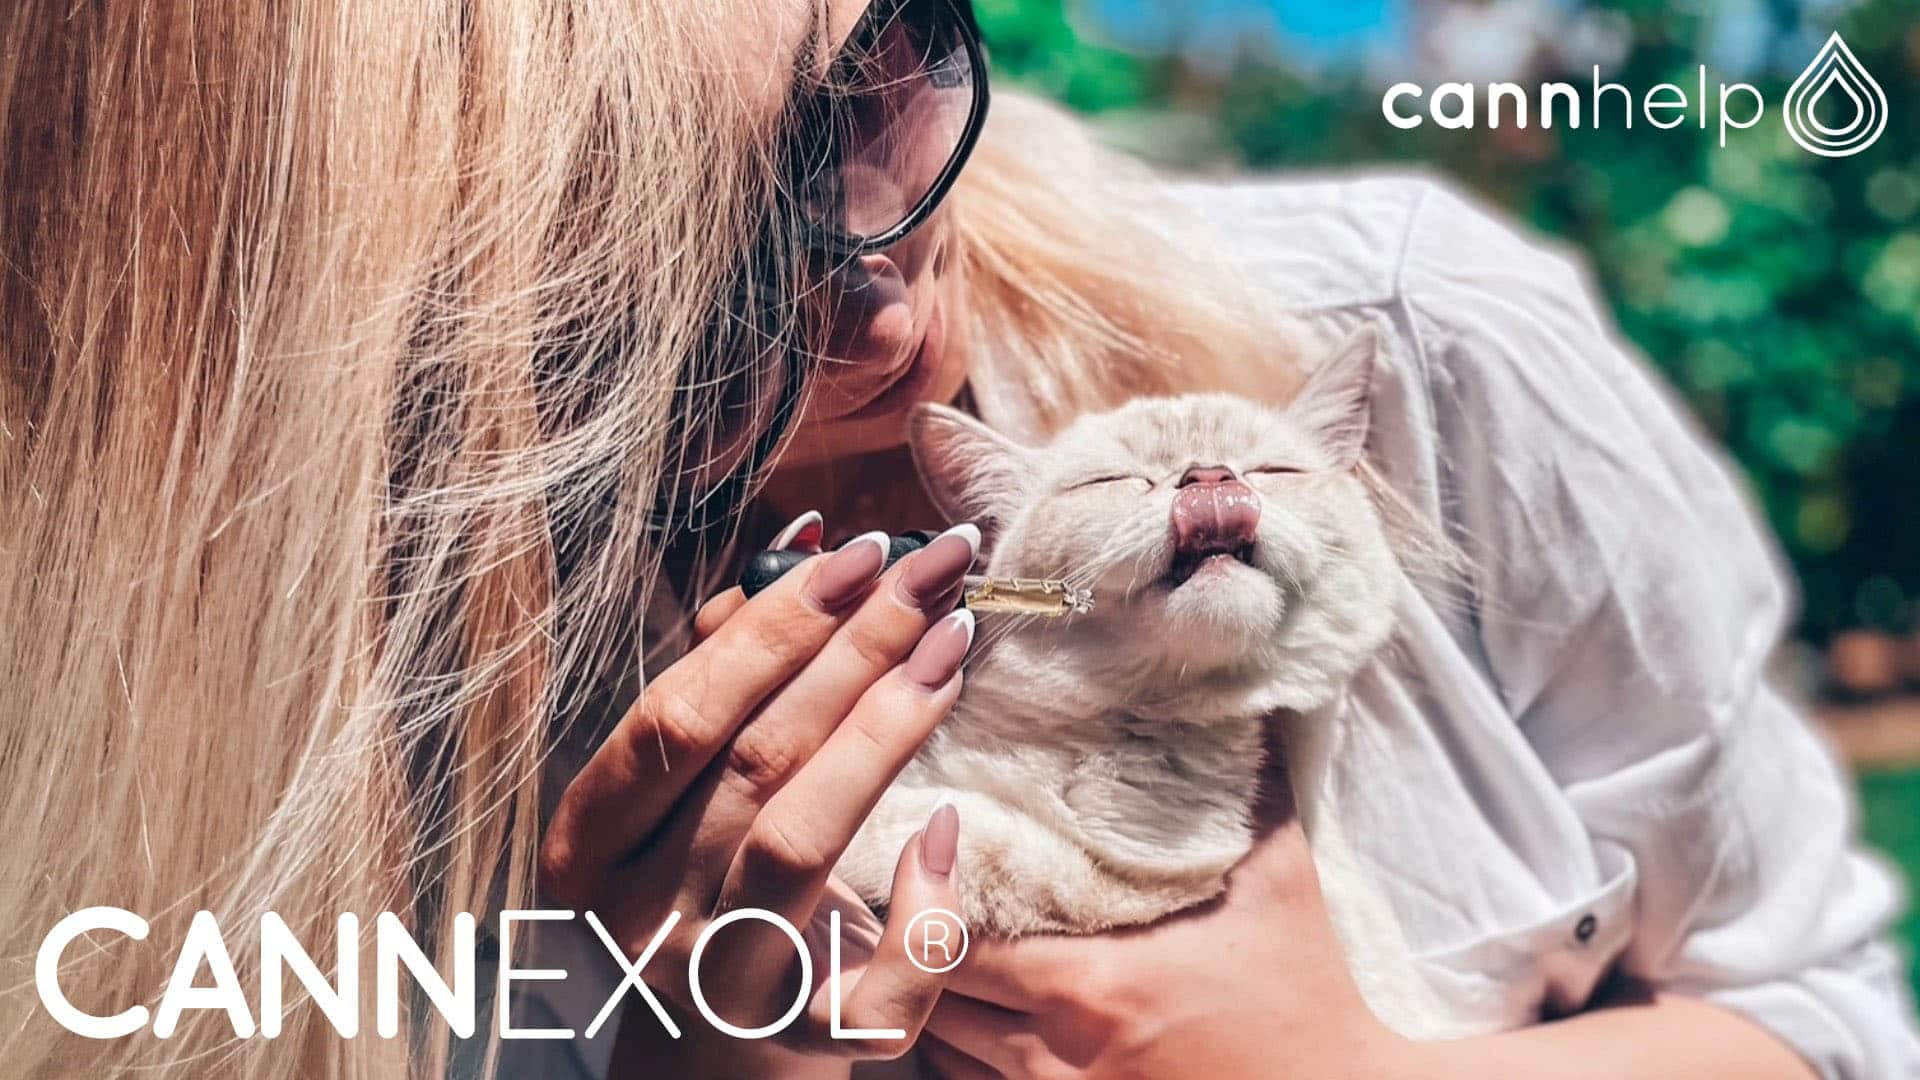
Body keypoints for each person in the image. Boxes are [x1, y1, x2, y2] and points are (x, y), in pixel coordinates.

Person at [4, 5, 1913, 1080]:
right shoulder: (309, 741)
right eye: (678, 267)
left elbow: (1820, 1018)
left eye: (876, 78)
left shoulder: (1392, 340)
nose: (881, 303)